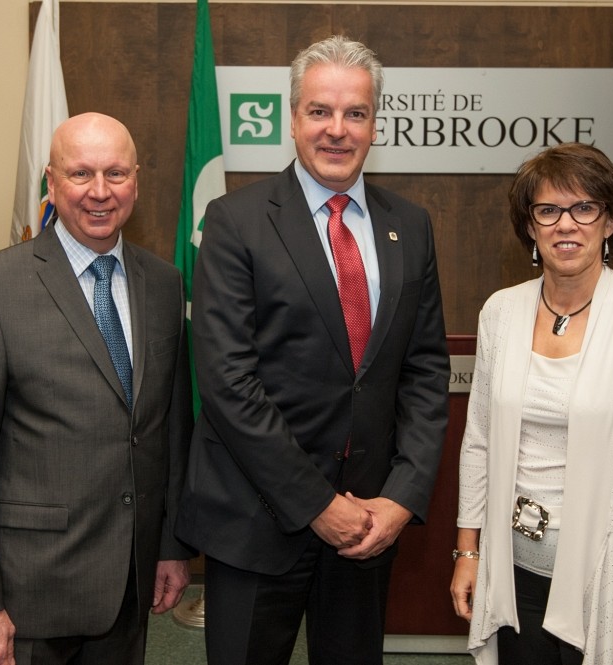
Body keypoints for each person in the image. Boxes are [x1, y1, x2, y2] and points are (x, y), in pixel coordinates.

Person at [175, 35, 450, 665]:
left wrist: (402, 497)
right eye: (320, 111)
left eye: (355, 113)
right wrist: (316, 505)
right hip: (255, 516)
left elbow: (425, 369)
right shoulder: (233, 220)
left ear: (374, 123)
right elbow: (227, 381)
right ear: (293, 118)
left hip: (368, 522)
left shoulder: (409, 225)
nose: (337, 130)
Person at [0, 112, 194, 665]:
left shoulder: (165, 285)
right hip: (28, 597)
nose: (100, 192)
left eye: (116, 173)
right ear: (51, 182)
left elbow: (169, 427)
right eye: (81, 174)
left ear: (137, 180)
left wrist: (172, 546)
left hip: (129, 583)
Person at [450, 143, 613, 665]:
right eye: (548, 211)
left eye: (584, 208)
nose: (567, 224)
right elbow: (477, 441)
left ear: (610, 221)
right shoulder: (500, 312)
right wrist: (468, 551)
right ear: (531, 226)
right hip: (514, 568)